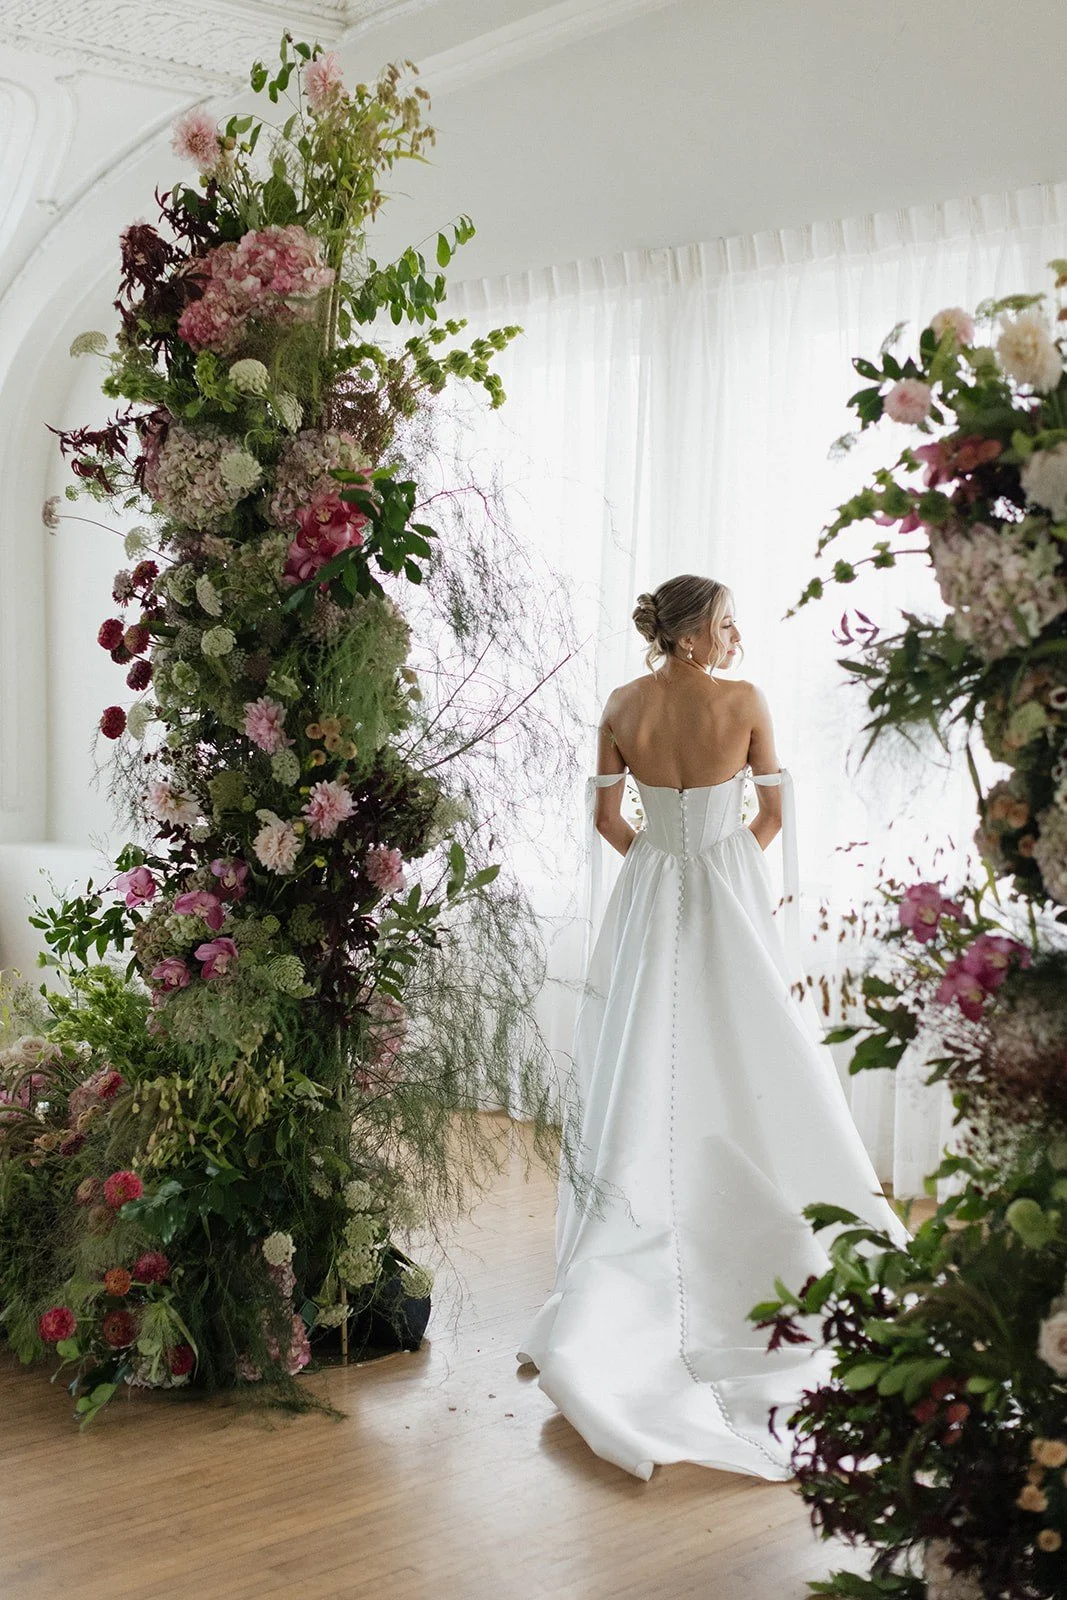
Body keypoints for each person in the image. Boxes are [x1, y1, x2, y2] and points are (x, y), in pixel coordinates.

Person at [517, 574, 909, 1481]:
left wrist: (662, 861)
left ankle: (639, 1225)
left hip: (649, 886)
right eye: (727, 624)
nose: (739, 638)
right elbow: (772, 814)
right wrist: (722, 865)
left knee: (643, 1054)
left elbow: (607, 818)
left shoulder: (621, 704)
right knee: (749, 1043)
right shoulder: (743, 704)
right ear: (692, 634)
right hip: (727, 887)